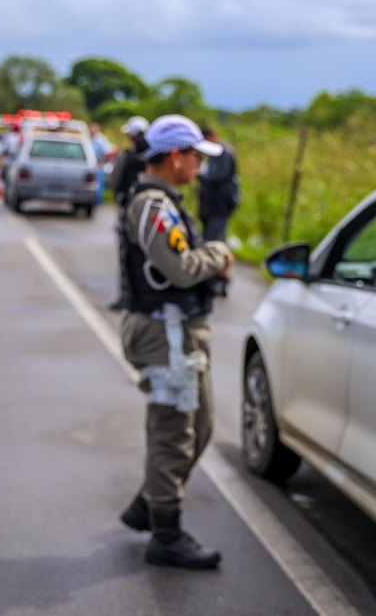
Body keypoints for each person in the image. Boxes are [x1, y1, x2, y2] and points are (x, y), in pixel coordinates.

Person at [117, 114, 234, 569]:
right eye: (195, 157)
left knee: (199, 426)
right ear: (175, 157)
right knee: (174, 434)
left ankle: (149, 504)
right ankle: (165, 534)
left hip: (177, 329)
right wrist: (219, 254)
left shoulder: (163, 202)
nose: (199, 166)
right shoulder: (152, 205)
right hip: (163, 331)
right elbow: (181, 268)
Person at [106, 115, 149, 311]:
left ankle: (127, 297)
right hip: (149, 211)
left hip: (128, 209)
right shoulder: (154, 157)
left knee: (127, 254)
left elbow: (113, 181)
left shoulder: (127, 156)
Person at [195, 126, 240, 296]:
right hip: (209, 207)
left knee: (215, 242)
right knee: (210, 241)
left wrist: (198, 175)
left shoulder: (224, 153)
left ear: (211, 136)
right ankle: (215, 278)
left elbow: (219, 176)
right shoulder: (214, 154)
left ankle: (219, 279)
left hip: (219, 207)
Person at [88, 121, 115, 207]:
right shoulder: (93, 139)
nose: (90, 130)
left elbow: (109, 151)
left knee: (98, 186)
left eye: (92, 128)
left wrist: (103, 160)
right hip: (93, 166)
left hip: (99, 166)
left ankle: (97, 203)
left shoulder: (101, 139)